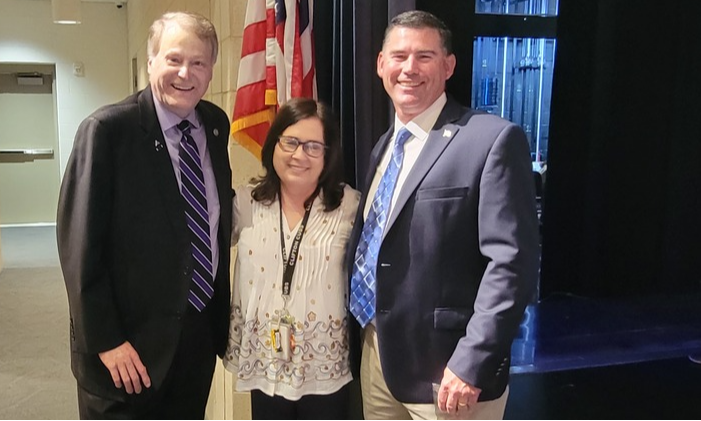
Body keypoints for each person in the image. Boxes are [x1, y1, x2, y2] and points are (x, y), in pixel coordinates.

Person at [346, 10, 540, 420]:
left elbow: (512, 265)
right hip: (379, 359)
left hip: (450, 376)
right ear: (381, 64)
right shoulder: (383, 147)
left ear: (449, 66)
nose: (409, 69)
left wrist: (472, 362)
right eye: (398, 56)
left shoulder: (491, 139)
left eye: (425, 57)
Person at [56, 12, 232, 420]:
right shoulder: (107, 131)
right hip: (126, 349)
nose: (185, 73)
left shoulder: (215, 125)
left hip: (195, 337)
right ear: (151, 61)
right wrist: (106, 340)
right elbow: (79, 247)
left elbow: (205, 214)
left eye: (198, 62)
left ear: (210, 71)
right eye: (173, 59)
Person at [224, 98, 360, 420]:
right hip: (267, 363)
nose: (300, 155)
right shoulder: (246, 203)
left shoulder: (350, 207)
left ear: (328, 155)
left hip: (325, 371)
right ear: (274, 144)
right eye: (291, 142)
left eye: (314, 146)